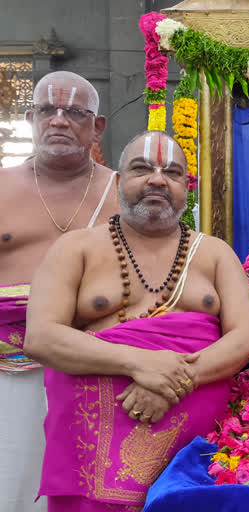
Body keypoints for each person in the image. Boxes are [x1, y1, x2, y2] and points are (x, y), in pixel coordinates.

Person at [24, 130, 249, 511]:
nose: (157, 179)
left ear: (189, 185)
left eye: (171, 172)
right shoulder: (75, 248)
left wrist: (171, 381)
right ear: (118, 181)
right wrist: (141, 363)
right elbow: (42, 337)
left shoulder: (216, 254)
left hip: (192, 454)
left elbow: (246, 339)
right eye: (141, 169)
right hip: (92, 444)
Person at [0, 70, 117, 511]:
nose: (59, 121)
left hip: (97, 375)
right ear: (31, 118)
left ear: (97, 126)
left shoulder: (126, 193)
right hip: (7, 374)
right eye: (48, 110)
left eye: (74, 112)